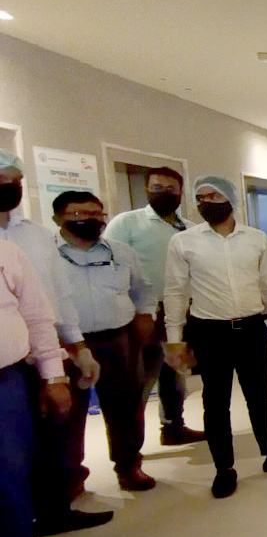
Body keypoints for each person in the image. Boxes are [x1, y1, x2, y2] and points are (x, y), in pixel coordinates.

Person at [0, 151, 111, 537]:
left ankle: (54, 511)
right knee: (10, 456)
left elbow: (55, 298)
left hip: (43, 357)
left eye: (14, 180)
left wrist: (78, 348)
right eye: (1, 180)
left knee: (53, 439)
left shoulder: (34, 237)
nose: (9, 187)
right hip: (8, 365)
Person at [163, 175, 267, 498]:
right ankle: (224, 468)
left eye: (214, 196)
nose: (207, 203)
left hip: (251, 329)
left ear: (231, 200)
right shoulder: (184, 242)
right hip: (209, 332)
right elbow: (175, 292)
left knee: (260, 397)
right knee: (215, 402)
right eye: (201, 198)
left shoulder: (256, 239)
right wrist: (174, 338)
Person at [53, 191, 159, 492]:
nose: (89, 219)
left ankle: (129, 465)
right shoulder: (47, 254)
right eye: (78, 214)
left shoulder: (121, 252)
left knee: (126, 405)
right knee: (68, 413)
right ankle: (71, 475)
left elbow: (144, 288)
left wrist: (145, 315)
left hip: (118, 338)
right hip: (66, 344)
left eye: (96, 213)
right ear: (57, 218)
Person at [0, 240, 74, 537]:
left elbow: (36, 316)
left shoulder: (6, 251)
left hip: (4, 383)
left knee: (9, 488)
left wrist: (53, 376)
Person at [104, 166, 204, 446]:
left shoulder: (190, 228)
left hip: (181, 312)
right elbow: (111, 265)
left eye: (170, 189)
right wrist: (133, 309)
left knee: (175, 375)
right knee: (140, 380)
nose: (164, 193)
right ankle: (127, 449)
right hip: (143, 313)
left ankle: (173, 427)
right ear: (146, 189)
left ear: (181, 193)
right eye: (157, 188)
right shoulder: (127, 223)